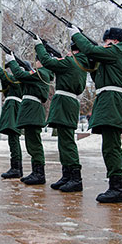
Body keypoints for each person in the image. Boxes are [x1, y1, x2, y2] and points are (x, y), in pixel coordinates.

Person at [68, 26, 122, 203]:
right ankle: (116, 186)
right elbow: (97, 76)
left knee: (112, 147)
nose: (105, 45)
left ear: (115, 41)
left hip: (112, 99)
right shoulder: (115, 54)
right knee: (110, 146)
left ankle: (117, 188)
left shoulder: (118, 50)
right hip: (107, 98)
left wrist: (76, 35)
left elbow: (90, 49)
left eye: (106, 41)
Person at [33, 36, 88, 192]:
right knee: (63, 141)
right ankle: (68, 175)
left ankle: (75, 178)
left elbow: (48, 62)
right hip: (66, 102)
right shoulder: (80, 63)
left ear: (75, 51)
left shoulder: (72, 62)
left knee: (67, 142)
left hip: (65, 102)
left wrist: (39, 46)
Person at [6, 53, 54, 185]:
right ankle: (36, 172)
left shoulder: (42, 73)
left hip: (33, 110)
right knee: (31, 143)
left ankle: (39, 174)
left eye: (37, 61)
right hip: (31, 110)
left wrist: (12, 62)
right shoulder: (41, 74)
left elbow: (20, 76)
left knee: (34, 144)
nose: (36, 63)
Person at [0, 59, 23, 178]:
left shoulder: (18, 80)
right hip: (12, 107)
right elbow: (5, 80)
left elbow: (5, 76)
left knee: (13, 139)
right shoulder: (17, 81)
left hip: (13, 108)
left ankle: (16, 168)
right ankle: (16, 167)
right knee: (13, 139)